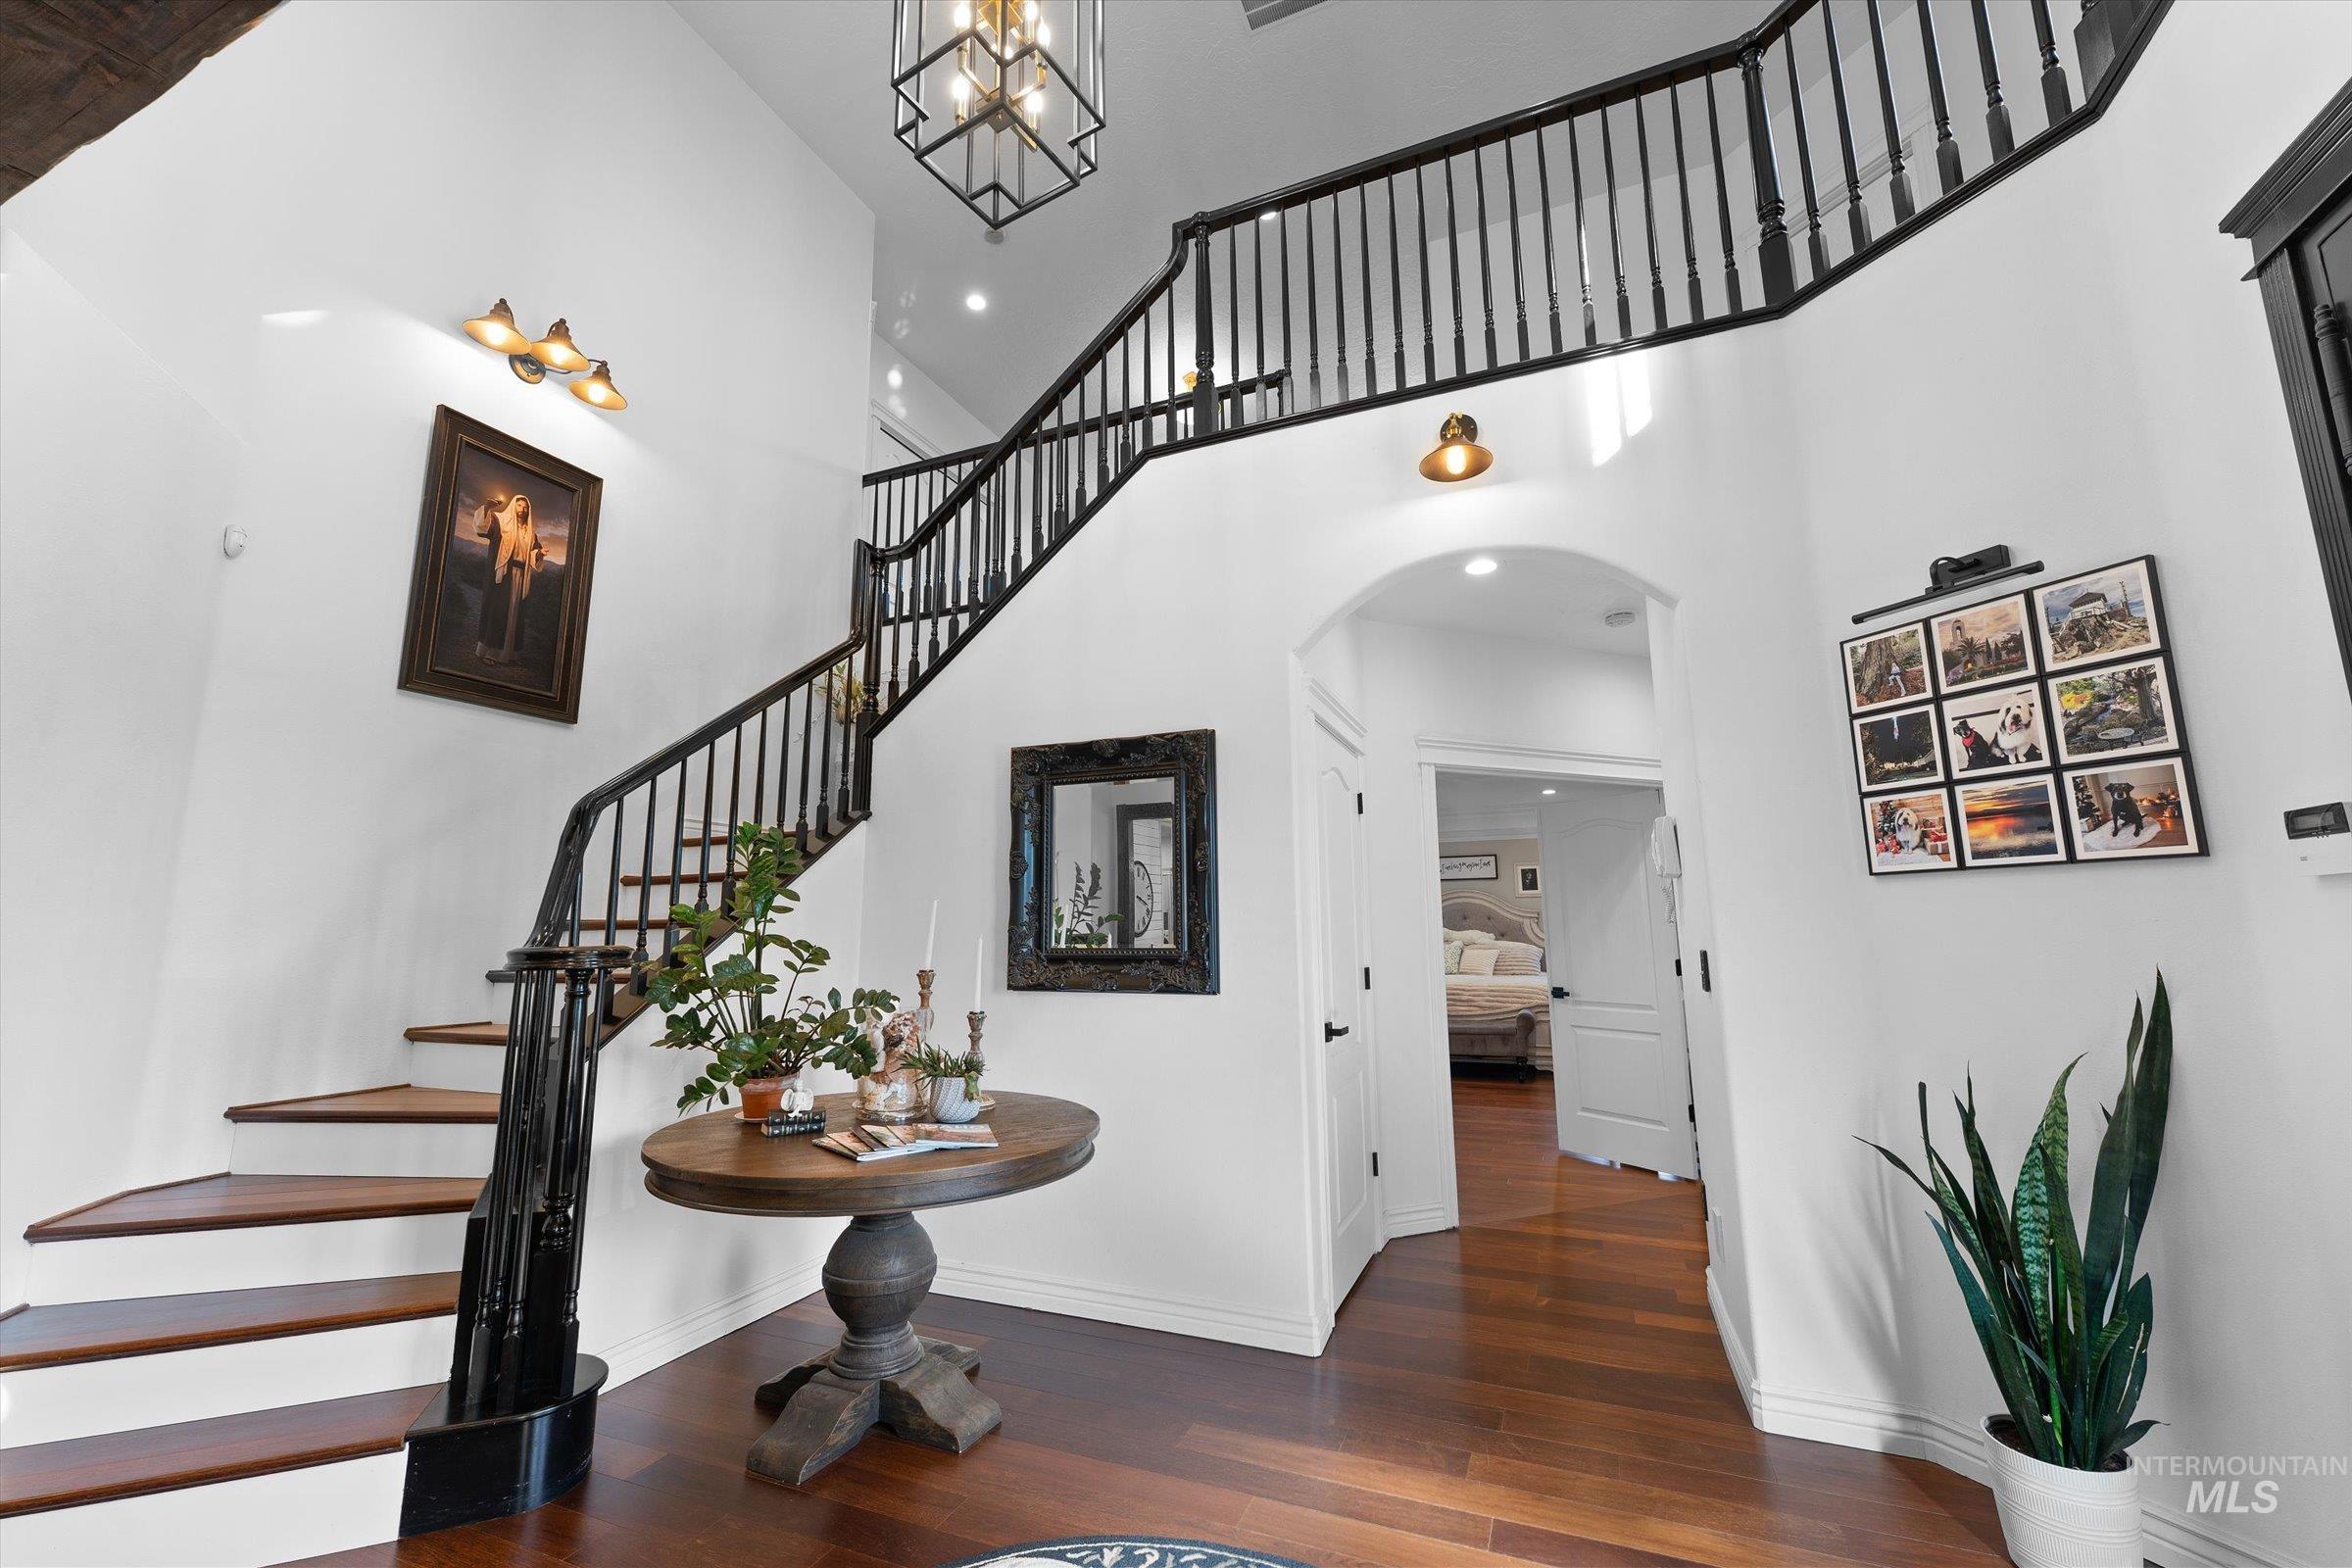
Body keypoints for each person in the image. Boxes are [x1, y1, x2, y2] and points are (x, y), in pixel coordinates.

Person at [471, 495, 544, 666]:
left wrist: (540, 554)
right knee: (498, 610)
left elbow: (534, 554)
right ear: (513, 506)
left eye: (525, 507)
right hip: (503, 574)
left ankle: (509, 653)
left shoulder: (531, 533)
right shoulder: (501, 523)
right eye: (519, 505)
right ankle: (490, 652)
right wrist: (488, 508)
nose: (522, 509)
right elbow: (483, 529)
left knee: (515, 614)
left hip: (521, 577)